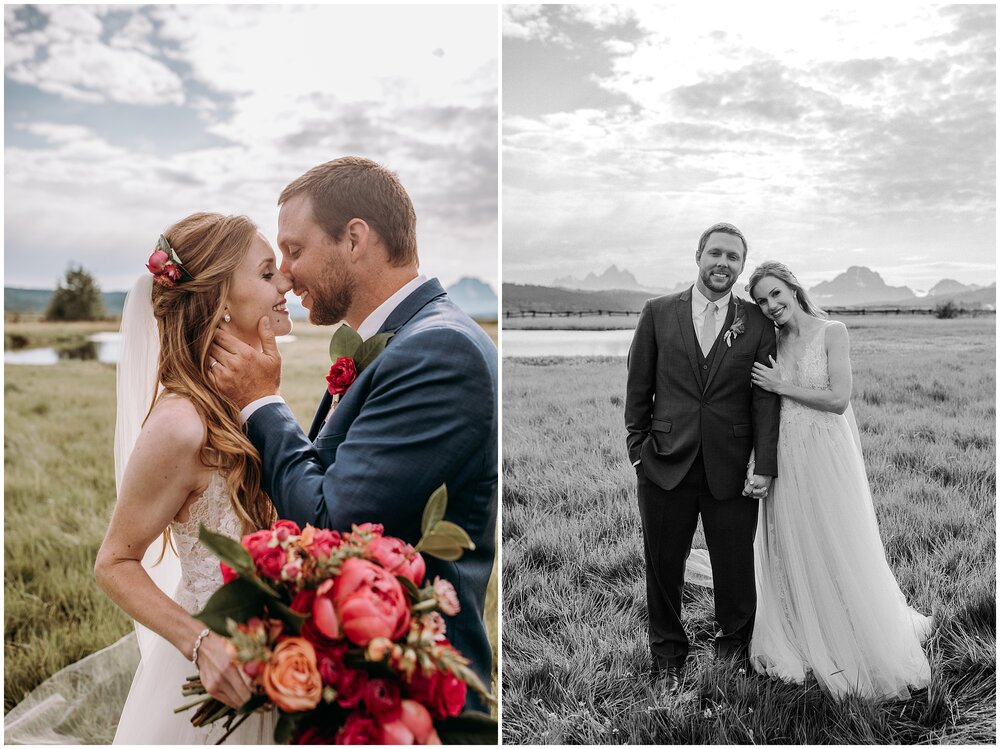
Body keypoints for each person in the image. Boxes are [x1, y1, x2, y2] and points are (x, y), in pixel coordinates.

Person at [208, 157, 498, 704]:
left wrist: (262, 402)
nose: (286, 275)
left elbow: (332, 522)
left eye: (294, 251)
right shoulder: (397, 338)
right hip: (365, 673)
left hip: (419, 693)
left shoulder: (439, 350)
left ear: (355, 239)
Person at [94, 212, 291, 743]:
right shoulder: (181, 424)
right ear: (222, 300)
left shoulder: (249, 394)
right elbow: (114, 562)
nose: (287, 282)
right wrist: (202, 644)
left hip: (282, 664)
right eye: (268, 273)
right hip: (216, 678)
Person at [745, 261, 932, 699]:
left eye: (775, 294)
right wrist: (759, 460)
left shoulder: (834, 331)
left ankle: (846, 625)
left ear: (792, 287)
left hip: (826, 452)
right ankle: (799, 624)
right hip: (786, 453)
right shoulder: (770, 340)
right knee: (791, 537)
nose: (771, 306)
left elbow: (837, 399)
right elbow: (761, 407)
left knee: (835, 536)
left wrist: (780, 386)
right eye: (761, 301)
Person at [625, 222, 780, 695]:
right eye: (716, 253)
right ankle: (668, 653)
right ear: (697, 256)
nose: (723, 263)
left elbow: (764, 400)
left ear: (740, 266)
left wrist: (765, 463)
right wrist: (638, 453)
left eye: (733, 257)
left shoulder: (757, 321)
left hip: (731, 467)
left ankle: (733, 649)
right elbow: (638, 387)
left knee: (735, 566)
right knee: (663, 565)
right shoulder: (657, 312)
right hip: (664, 463)